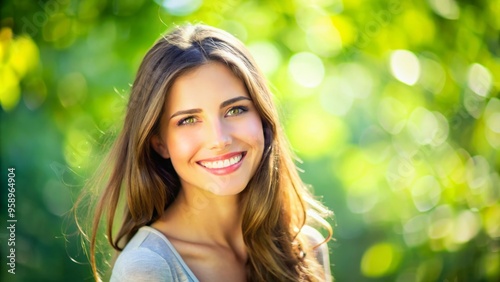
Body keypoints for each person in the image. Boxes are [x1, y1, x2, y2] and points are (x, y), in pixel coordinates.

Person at [81, 23, 333, 281]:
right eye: (189, 120)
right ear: (159, 143)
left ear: (262, 117)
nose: (219, 139)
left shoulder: (305, 249)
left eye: (235, 110)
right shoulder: (147, 269)